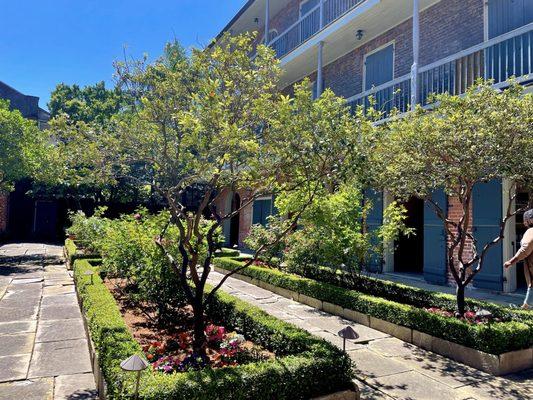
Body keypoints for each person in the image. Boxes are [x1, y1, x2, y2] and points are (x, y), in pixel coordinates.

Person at [504, 208, 533, 309]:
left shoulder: (531, 231)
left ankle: (526, 308)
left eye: (525, 220)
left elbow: (525, 249)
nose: (524, 222)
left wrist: (511, 261)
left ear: (530, 220)